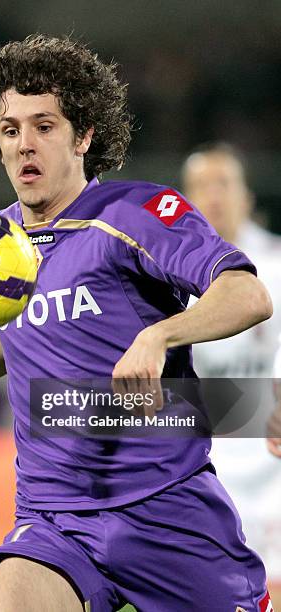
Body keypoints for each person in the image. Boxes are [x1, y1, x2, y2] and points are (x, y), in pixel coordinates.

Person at [0, 36, 274, 612]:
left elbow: (247, 293)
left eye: (44, 125)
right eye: (10, 129)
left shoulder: (134, 215)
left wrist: (158, 334)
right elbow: (24, 328)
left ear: (84, 135)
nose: (25, 145)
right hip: (54, 519)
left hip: (167, 506)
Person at [182, 142, 281, 582]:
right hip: (207, 467)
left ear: (247, 197)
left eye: (223, 183)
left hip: (273, 462)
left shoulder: (276, 266)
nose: (214, 196)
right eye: (201, 186)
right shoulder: (170, 276)